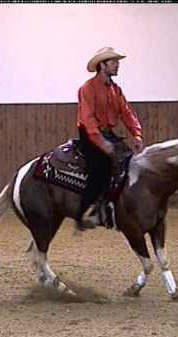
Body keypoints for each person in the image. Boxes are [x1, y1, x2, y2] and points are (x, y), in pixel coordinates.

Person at [75, 47, 144, 231]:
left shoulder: (116, 89)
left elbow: (127, 113)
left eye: (117, 61)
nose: (117, 65)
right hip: (89, 133)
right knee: (100, 168)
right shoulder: (87, 89)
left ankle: (116, 207)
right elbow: (88, 119)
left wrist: (136, 134)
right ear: (103, 65)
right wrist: (101, 143)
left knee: (130, 162)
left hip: (107, 132)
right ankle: (87, 211)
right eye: (114, 62)